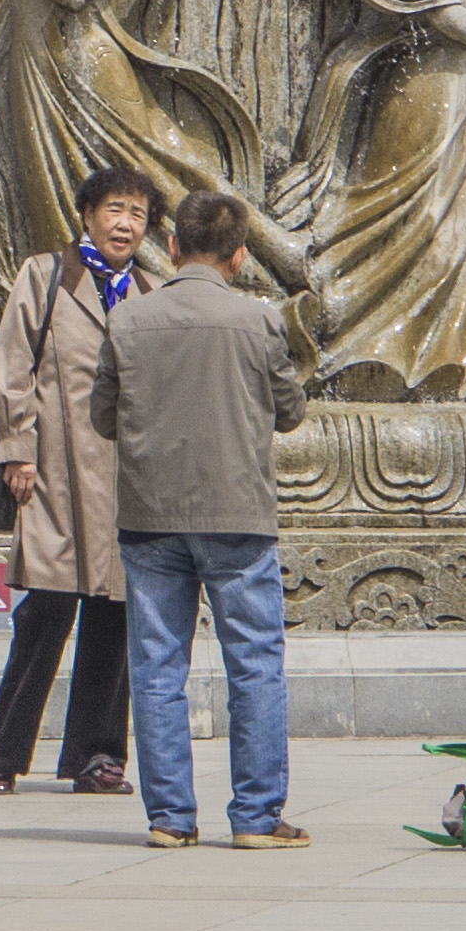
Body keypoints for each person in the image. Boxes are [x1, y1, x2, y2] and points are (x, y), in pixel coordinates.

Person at [91, 187, 312, 852]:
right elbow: (291, 410)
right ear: (240, 256)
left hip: (150, 516)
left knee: (157, 669)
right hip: (238, 515)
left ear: (173, 247)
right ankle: (255, 816)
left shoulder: (128, 320)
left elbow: (103, 416)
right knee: (254, 664)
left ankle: (169, 819)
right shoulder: (259, 321)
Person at [0, 161, 158, 798]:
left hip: (122, 483)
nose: (125, 223)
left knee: (113, 620)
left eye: (137, 214)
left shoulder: (145, 294)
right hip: (52, 475)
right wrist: (17, 451)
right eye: (115, 209)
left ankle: (97, 756)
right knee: (45, 614)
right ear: (88, 214)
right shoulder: (46, 275)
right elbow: (10, 365)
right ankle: (4, 754)